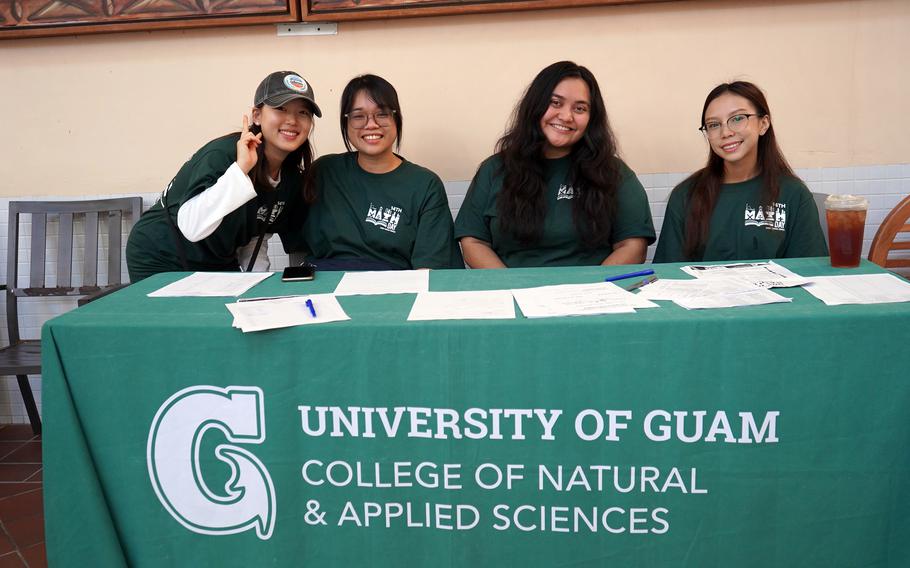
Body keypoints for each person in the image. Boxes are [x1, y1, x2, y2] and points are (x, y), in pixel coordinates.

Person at [454, 61, 655, 268]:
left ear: (591, 118)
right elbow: (474, 241)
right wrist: (511, 285)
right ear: (535, 105)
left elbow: (632, 246)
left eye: (580, 108)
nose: (567, 116)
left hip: (592, 294)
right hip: (511, 291)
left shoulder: (615, 173)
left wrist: (590, 291)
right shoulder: (494, 169)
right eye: (555, 103)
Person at [126, 70, 320, 281]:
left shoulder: (291, 177)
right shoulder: (222, 154)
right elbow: (191, 227)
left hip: (216, 261)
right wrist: (241, 170)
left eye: (303, 112)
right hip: (161, 255)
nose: (292, 120)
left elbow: (256, 235)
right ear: (257, 115)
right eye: (281, 109)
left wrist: (259, 283)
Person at [301, 74, 463, 270]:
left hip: (394, 290)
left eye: (382, 114)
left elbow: (429, 269)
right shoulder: (324, 171)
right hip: (322, 287)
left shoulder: (425, 184)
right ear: (346, 123)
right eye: (358, 115)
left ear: (397, 119)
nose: (371, 124)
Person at [653, 81, 827, 263]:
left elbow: (811, 271)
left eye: (737, 119)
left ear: (763, 124)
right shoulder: (686, 195)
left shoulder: (793, 194)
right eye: (713, 125)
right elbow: (669, 274)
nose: (725, 132)